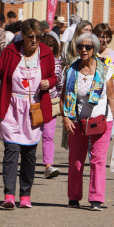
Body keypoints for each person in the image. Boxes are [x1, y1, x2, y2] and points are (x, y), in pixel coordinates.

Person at [0, 19, 57, 209]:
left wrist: (49, 82)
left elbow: (54, 76)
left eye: (39, 37)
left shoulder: (46, 53)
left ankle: (25, 195)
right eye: (31, 37)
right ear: (23, 35)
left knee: (29, 153)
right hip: (12, 106)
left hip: (34, 108)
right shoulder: (10, 51)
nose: (35, 41)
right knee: (11, 151)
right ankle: (9, 195)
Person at [61, 33, 114, 211]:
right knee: (76, 161)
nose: (83, 50)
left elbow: (112, 98)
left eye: (88, 47)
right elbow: (63, 97)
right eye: (80, 46)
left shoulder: (105, 71)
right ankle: (74, 197)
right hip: (76, 121)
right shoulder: (71, 71)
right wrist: (66, 117)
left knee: (97, 160)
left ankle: (96, 199)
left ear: (94, 49)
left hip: (102, 122)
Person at [40, 34, 63, 178]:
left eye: (51, 51)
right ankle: (27, 163)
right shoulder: (33, 61)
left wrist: (59, 100)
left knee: (48, 134)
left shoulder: (57, 64)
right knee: (31, 134)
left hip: (51, 102)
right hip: (34, 102)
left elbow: (60, 84)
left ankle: (48, 165)